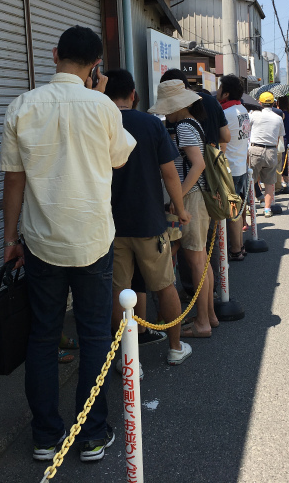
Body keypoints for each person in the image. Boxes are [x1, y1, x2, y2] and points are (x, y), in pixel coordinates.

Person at [0, 26, 136, 463]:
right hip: (93, 238)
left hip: (41, 242)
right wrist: (96, 92)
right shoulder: (102, 106)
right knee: (95, 335)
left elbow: (13, 180)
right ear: (96, 64)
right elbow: (119, 158)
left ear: (54, 54)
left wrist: (10, 237)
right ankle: (93, 434)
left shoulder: (21, 106)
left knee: (43, 337)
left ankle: (45, 436)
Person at [104, 69, 193, 365]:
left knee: (119, 292)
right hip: (149, 222)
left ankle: (127, 360)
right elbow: (169, 173)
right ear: (133, 95)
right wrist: (180, 211)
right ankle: (175, 348)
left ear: (105, 93)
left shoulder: (100, 124)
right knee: (165, 285)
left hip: (111, 225)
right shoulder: (150, 125)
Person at [149, 80, 217, 339]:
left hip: (192, 198)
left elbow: (197, 165)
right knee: (202, 260)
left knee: (196, 261)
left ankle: (202, 323)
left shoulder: (185, 127)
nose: (166, 113)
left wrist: (179, 198)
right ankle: (208, 315)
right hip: (199, 198)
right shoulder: (193, 124)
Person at [217, 75, 250, 261]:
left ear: (226, 93)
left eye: (220, 88)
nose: (217, 91)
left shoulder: (225, 113)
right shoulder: (242, 109)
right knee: (236, 211)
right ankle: (240, 246)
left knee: (231, 212)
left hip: (229, 168)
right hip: (241, 166)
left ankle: (236, 250)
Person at [161, 68, 231, 149]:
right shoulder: (213, 101)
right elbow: (226, 137)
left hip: (190, 160)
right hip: (212, 158)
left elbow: (173, 142)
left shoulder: (177, 108)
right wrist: (209, 141)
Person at [248, 92, 284, 219]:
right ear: (273, 103)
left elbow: (246, 130)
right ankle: (267, 209)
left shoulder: (253, 115)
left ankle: (251, 208)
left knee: (251, 180)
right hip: (271, 150)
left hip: (255, 148)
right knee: (269, 182)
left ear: (260, 102)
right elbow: (279, 137)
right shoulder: (278, 118)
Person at [276, 96, 289, 194]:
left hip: (282, 138)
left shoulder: (280, 114)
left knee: (282, 159)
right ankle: (287, 178)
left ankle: (283, 180)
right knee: (286, 159)